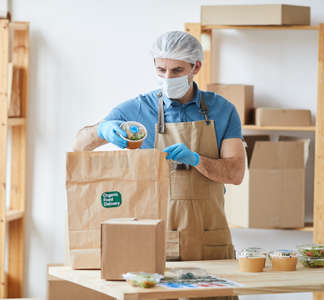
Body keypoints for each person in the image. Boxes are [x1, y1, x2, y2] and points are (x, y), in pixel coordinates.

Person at [73, 31, 245, 299]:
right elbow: (80, 146)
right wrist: (104, 130)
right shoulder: (138, 109)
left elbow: (235, 173)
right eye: (161, 69)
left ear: (195, 67)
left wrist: (198, 160)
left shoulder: (223, 110)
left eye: (177, 70)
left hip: (210, 241)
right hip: (153, 240)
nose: (167, 78)